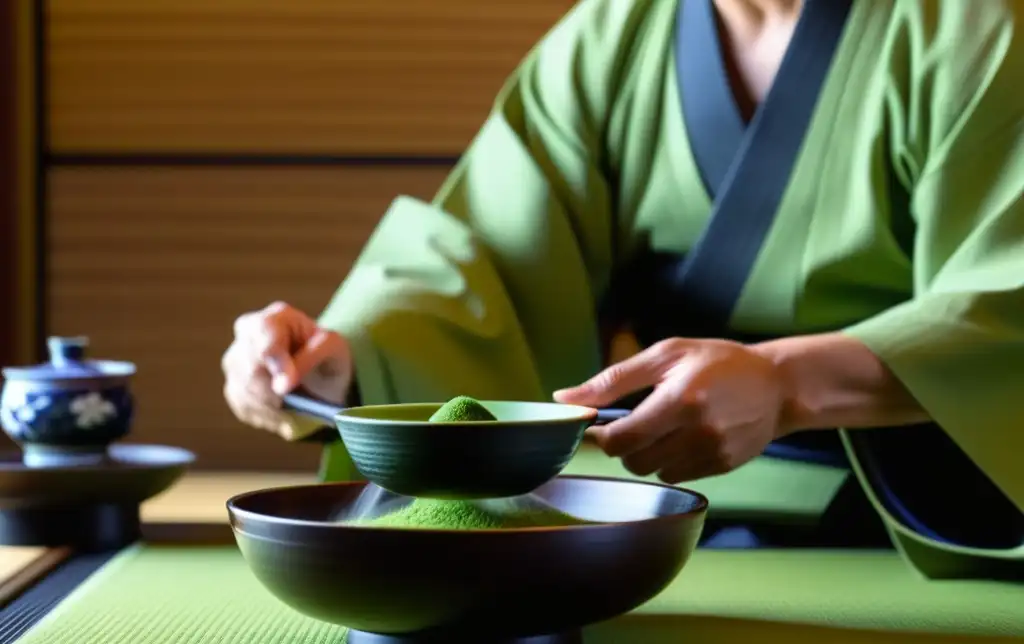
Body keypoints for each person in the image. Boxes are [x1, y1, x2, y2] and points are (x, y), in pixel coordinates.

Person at [222, 0, 1024, 579]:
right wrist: (342, 369)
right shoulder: (613, 35)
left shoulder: (977, 27)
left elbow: (1003, 301)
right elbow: (486, 264)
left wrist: (787, 384)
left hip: (926, 527)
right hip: (652, 518)